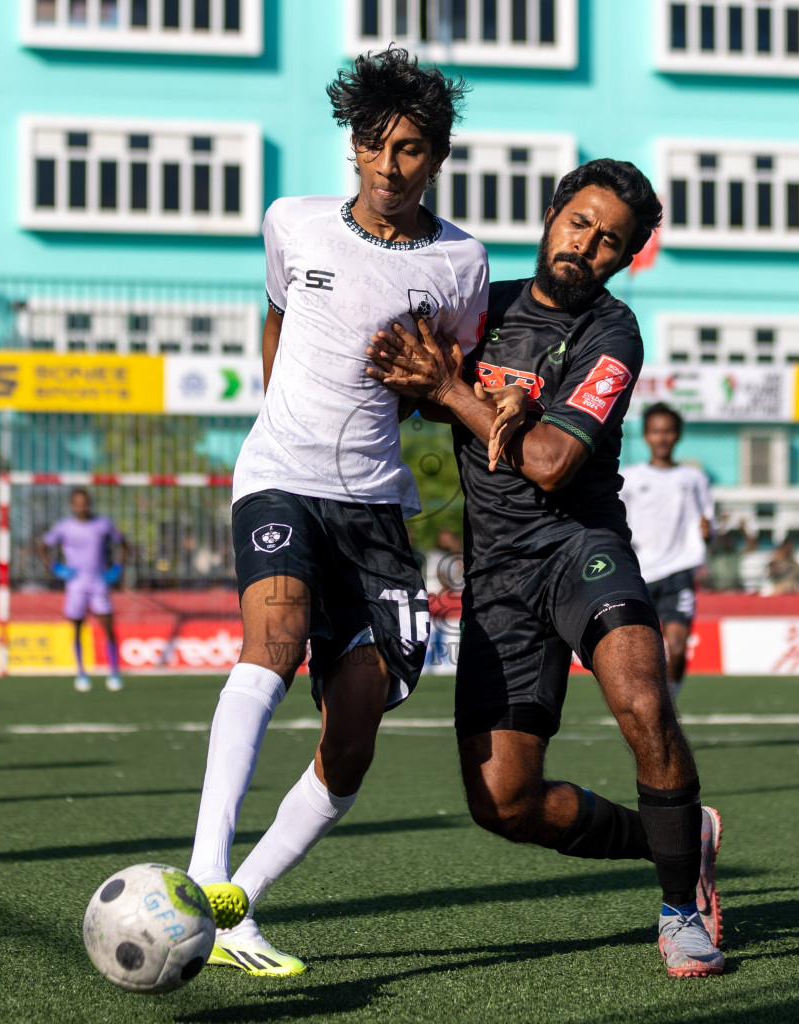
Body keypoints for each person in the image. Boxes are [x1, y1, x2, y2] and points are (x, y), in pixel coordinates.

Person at [370, 158, 727, 977]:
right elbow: (396, 381)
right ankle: (679, 838)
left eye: (611, 242)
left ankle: (680, 914)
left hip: (581, 546)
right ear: (552, 213)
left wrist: (455, 391)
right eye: (580, 224)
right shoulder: (479, 310)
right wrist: (420, 376)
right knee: (504, 803)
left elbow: (554, 460)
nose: (587, 247)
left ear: (628, 256)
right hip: (495, 575)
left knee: (643, 699)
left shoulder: (612, 332)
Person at [185, 47, 496, 977]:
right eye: (373, 145)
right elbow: (278, 315)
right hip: (277, 475)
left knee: (353, 734)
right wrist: (281, 410)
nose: (387, 166)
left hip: (375, 508)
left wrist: (431, 389)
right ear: (352, 145)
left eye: (409, 150)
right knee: (271, 642)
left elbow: (446, 377)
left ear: (436, 156)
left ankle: (242, 908)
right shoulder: (294, 223)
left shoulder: (462, 263)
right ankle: (201, 884)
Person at [620, 404, 712, 704]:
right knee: (639, 655)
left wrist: (707, 532)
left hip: (679, 573)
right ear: (647, 436)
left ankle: (668, 703)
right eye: (656, 431)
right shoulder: (629, 478)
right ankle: (650, 707)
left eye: (668, 431)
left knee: (677, 648)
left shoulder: (694, 478)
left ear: (678, 435)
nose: (663, 438)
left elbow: (706, 521)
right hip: (639, 573)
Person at [39, 488, 130, 693]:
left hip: (99, 581)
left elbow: (123, 544)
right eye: (77, 503)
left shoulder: (102, 524)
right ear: (72, 505)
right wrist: (54, 567)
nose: (81, 506)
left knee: (108, 626)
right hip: (76, 583)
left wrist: (117, 568)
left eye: (85, 502)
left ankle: (114, 672)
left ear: (90, 503)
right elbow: (42, 546)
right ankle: (81, 672)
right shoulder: (64, 527)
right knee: (78, 627)